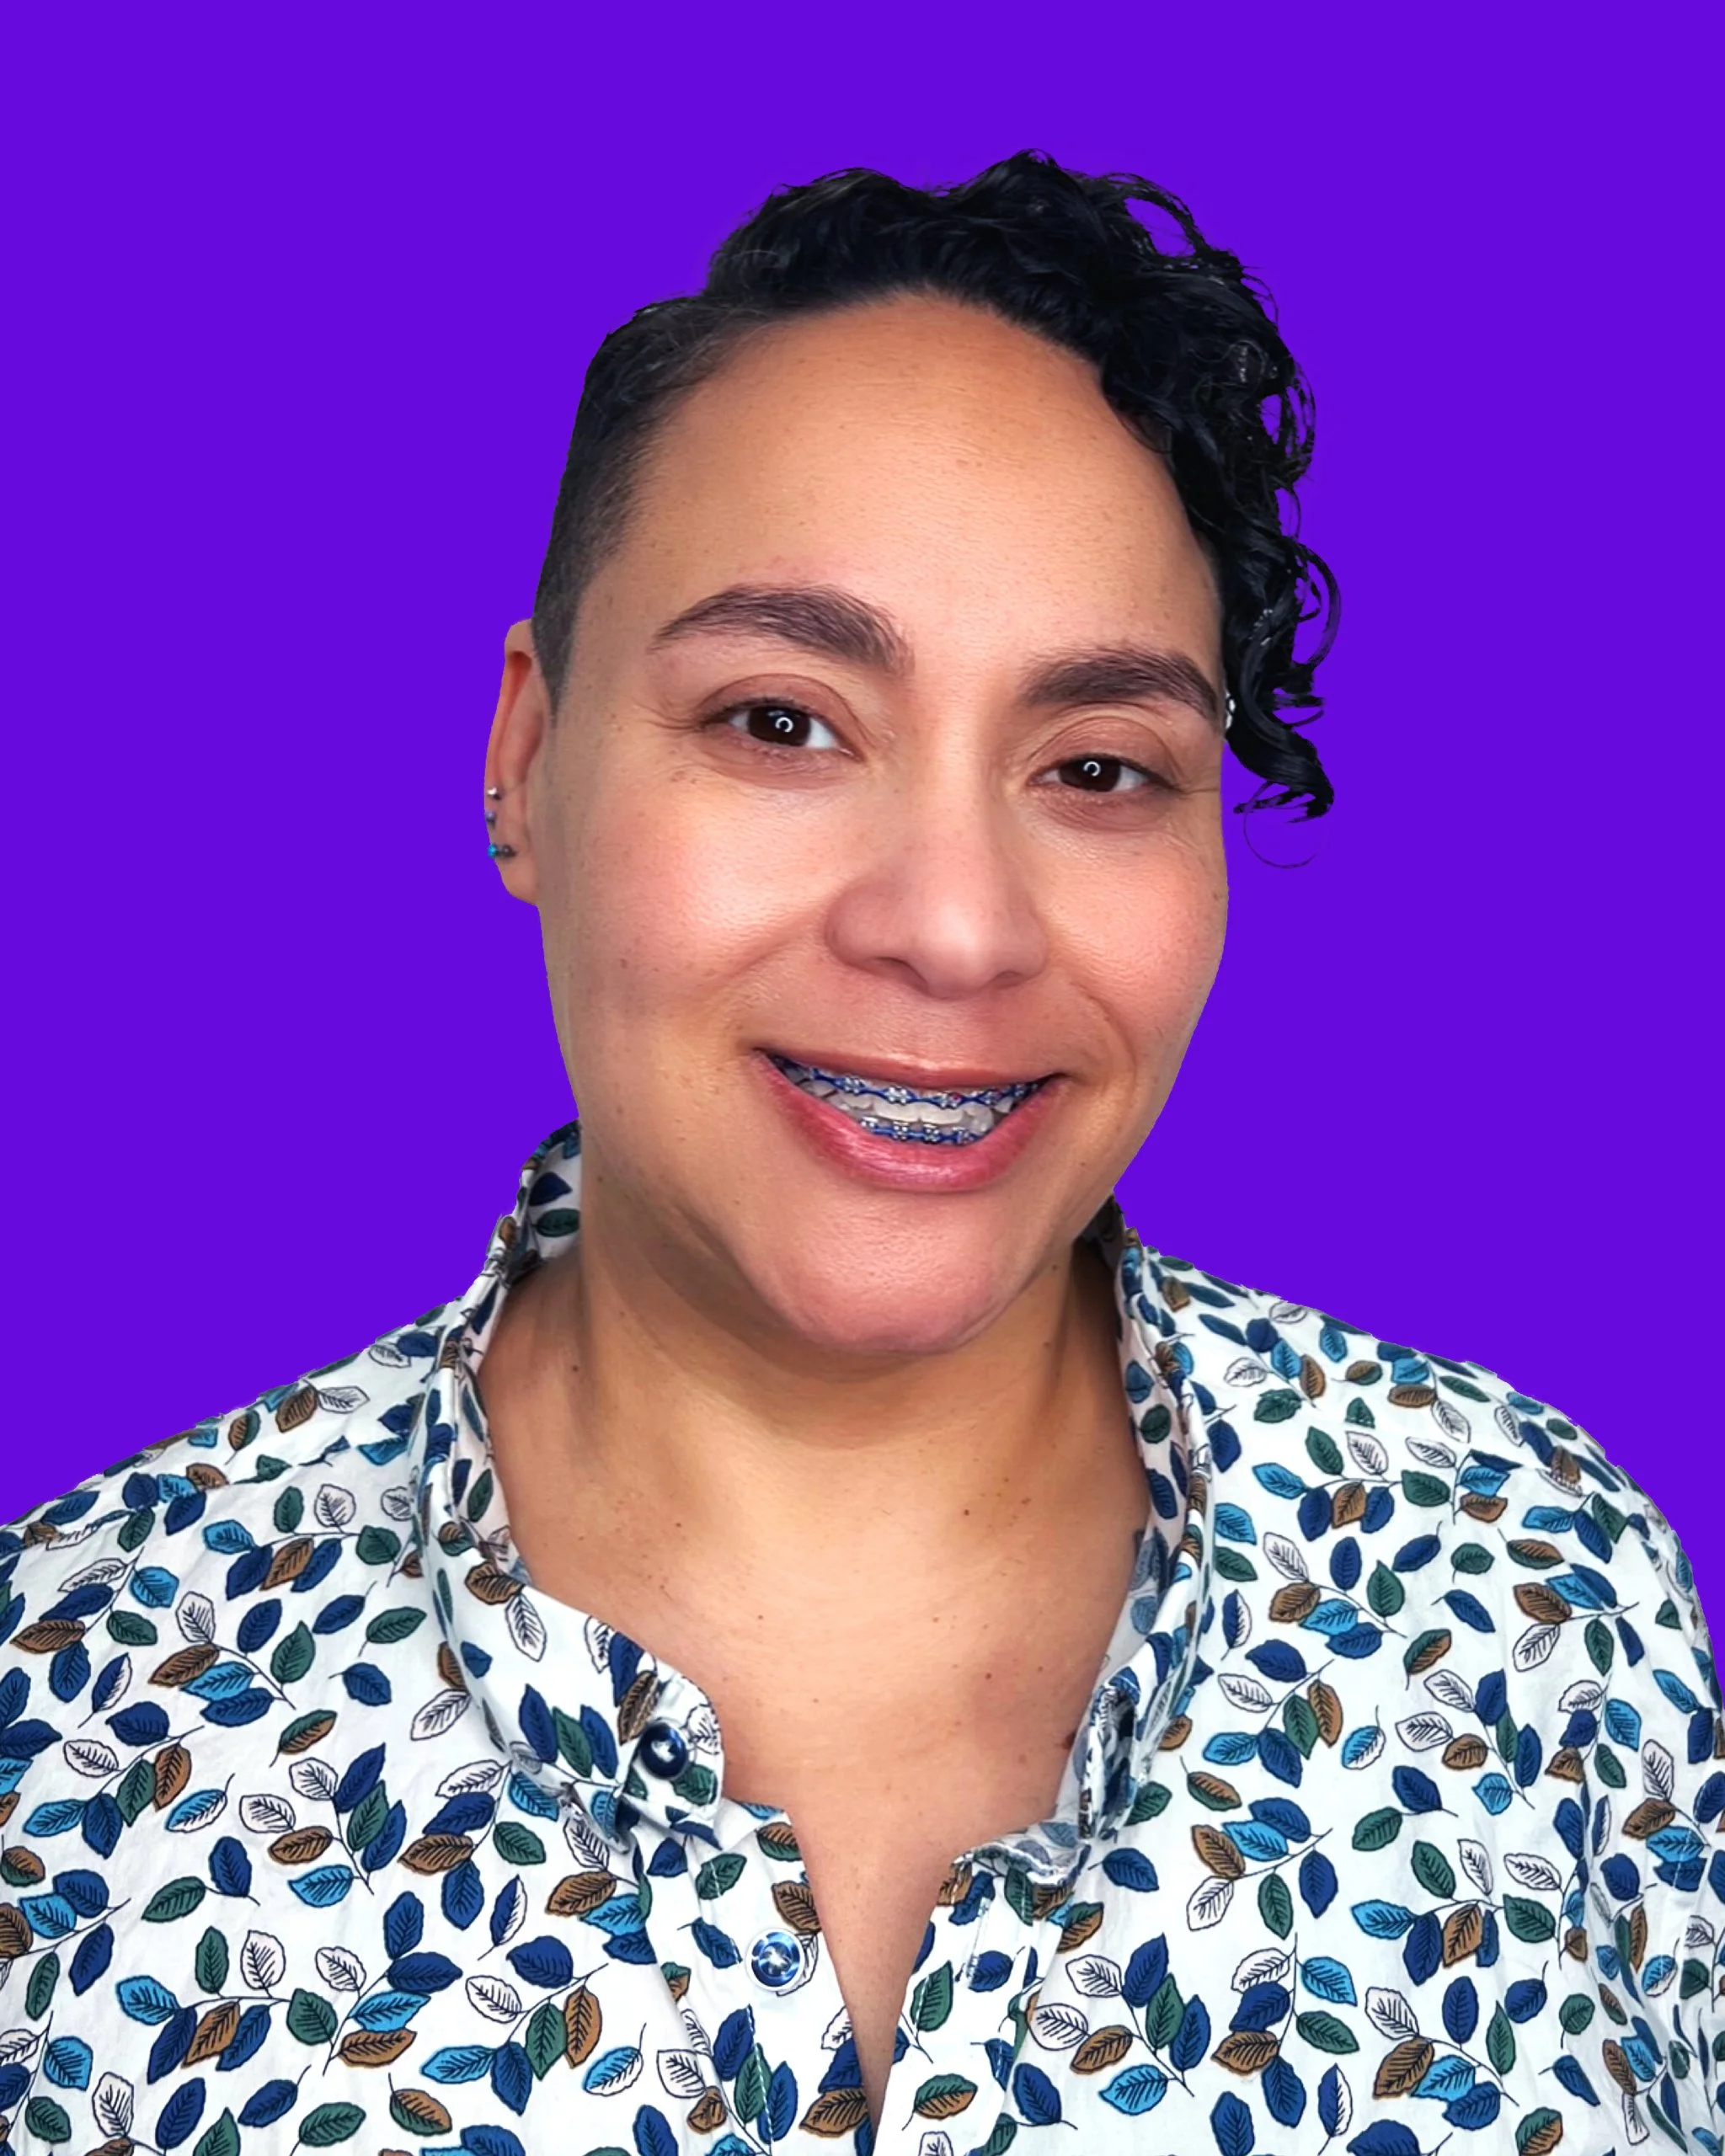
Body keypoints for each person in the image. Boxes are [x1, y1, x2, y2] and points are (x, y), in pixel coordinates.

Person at [0, 154, 1713, 2156]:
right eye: (782, 721)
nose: (955, 925)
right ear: (522, 762)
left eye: (1096, 766)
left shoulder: (1530, 1582)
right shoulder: (69, 1713)